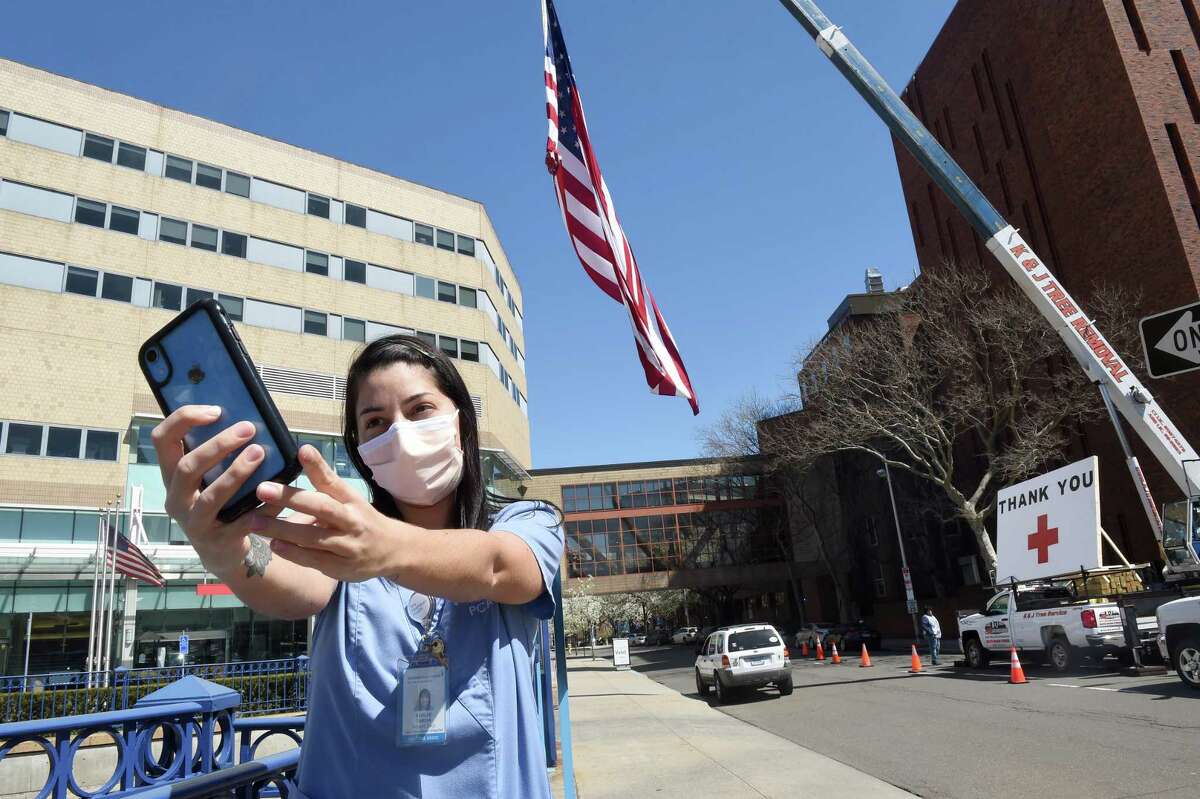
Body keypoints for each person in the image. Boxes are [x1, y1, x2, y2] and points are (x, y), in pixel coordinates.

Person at [152, 335, 563, 798]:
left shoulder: (528, 521)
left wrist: (389, 548)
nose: (400, 432)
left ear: (461, 423)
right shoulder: (337, 533)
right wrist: (225, 551)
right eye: (376, 422)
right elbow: (281, 571)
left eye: (420, 409)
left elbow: (504, 568)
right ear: (360, 447)